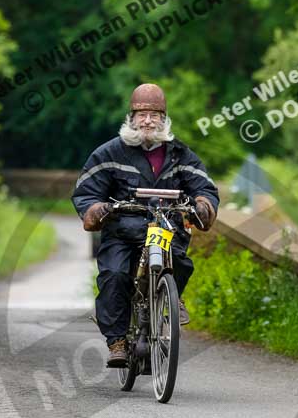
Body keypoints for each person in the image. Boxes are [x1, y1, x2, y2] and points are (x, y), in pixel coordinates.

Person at [71, 83, 220, 367]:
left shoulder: (180, 155)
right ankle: (116, 341)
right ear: (131, 118)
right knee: (114, 275)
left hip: (165, 230)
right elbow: (86, 192)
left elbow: (204, 187)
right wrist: (98, 208)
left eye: (154, 114)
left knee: (179, 260)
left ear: (164, 118)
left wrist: (202, 204)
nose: (148, 121)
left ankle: (170, 297)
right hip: (122, 232)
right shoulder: (109, 153)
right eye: (141, 115)